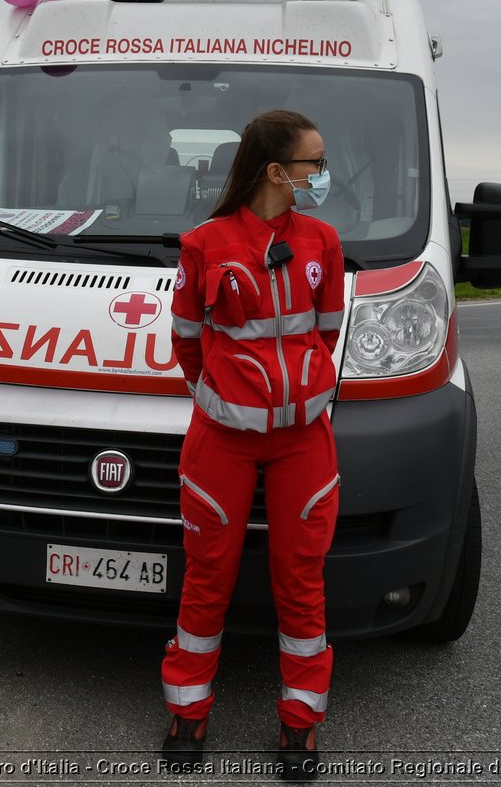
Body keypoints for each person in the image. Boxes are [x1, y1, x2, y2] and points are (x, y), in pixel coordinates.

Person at [160, 109, 344, 781]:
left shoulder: (323, 241)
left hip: (304, 442)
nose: (323, 174)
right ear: (276, 170)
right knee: (208, 574)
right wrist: (231, 397)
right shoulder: (204, 244)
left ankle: (301, 723)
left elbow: (325, 336)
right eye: (313, 163)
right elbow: (186, 342)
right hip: (223, 441)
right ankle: (188, 708)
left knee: (301, 578)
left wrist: (291, 398)